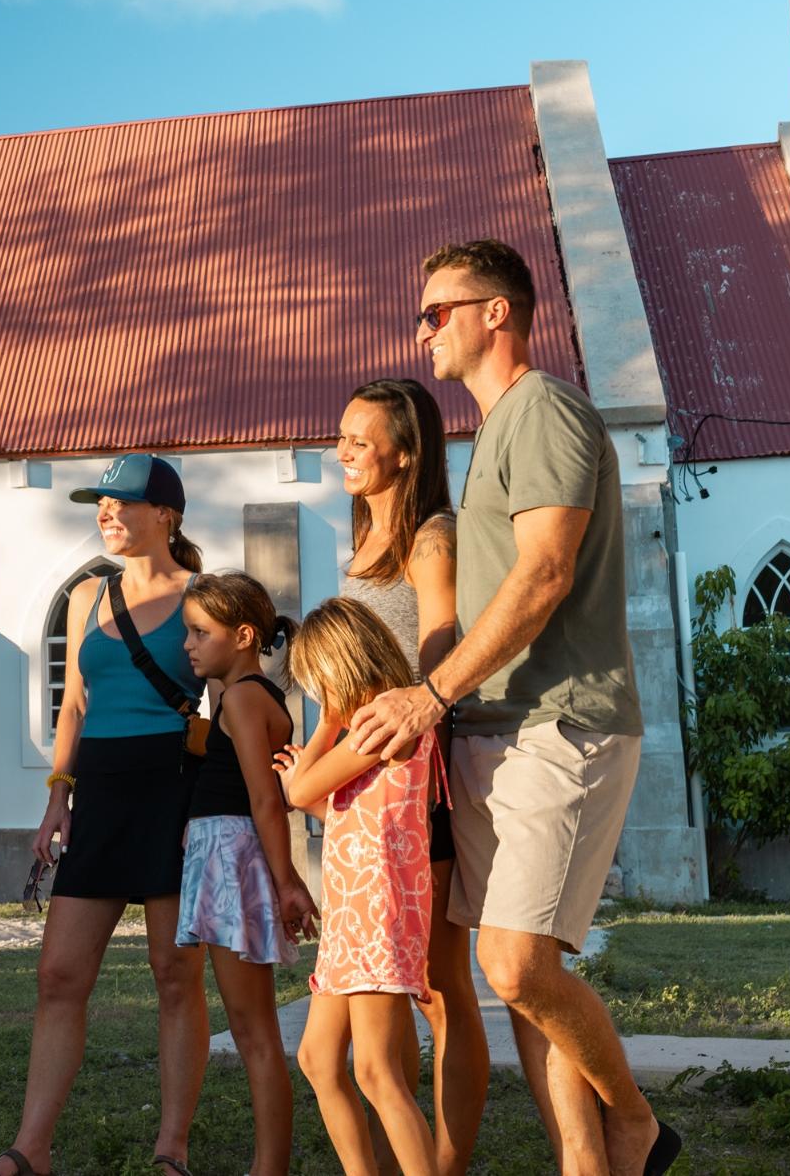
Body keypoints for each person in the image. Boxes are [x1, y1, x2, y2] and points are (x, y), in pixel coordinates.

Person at [347, 240, 680, 1176]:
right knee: (530, 984)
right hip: (493, 732)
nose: (424, 331)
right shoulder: (497, 429)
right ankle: (587, 1160)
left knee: (514, 965)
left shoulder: (544, 409)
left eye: (436, 311)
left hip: (559, 721)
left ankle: (636, 1123)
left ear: (495, 311)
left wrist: (430, 694)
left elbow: (544, 574)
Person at [0, 453, 211, 1176]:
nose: (106, 512)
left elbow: (234, 702)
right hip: (100, 795)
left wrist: (212, 811)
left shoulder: (203, 596)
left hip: (175, 791)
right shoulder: (88, 595)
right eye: (99, 503)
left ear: (165, 514)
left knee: (174, 974)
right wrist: (58, 796)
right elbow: (74, 705)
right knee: (58, 975)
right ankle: (31, 1149)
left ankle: (172, 1150)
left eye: (121, 501)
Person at [338, 377, 489, 1176]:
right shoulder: (364, 539)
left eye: (360, 440)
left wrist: (426, 781)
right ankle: (409, 1156)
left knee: (438, 983)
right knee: (391, 982)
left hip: (416, 789)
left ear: (405, 452)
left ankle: (446, 1163)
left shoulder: (431, 538)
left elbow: (439, 662)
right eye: (342, 436)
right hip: (363, 792)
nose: (343, 451)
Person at [279, 598, 444, 1176]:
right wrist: (308, 774)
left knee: (376, 1071)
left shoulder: (379, 724)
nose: (320, 698)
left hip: (376, 913)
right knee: (318, 1058)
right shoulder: (377, 727)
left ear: (341, 668)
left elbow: (301, 794)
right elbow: (346, 814)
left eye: (320, 684)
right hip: (354, 914)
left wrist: (325, 727)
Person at [175, 572, 316, 1176]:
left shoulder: (241, 698)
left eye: (200, 633)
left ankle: (270, 1167)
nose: (188, 644)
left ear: (244, 636)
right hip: (224, 855)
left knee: (254, 1032)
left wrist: (287, 883)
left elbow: (265, 800)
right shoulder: (244, 694)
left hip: (233, 858)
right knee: (250, 1027)